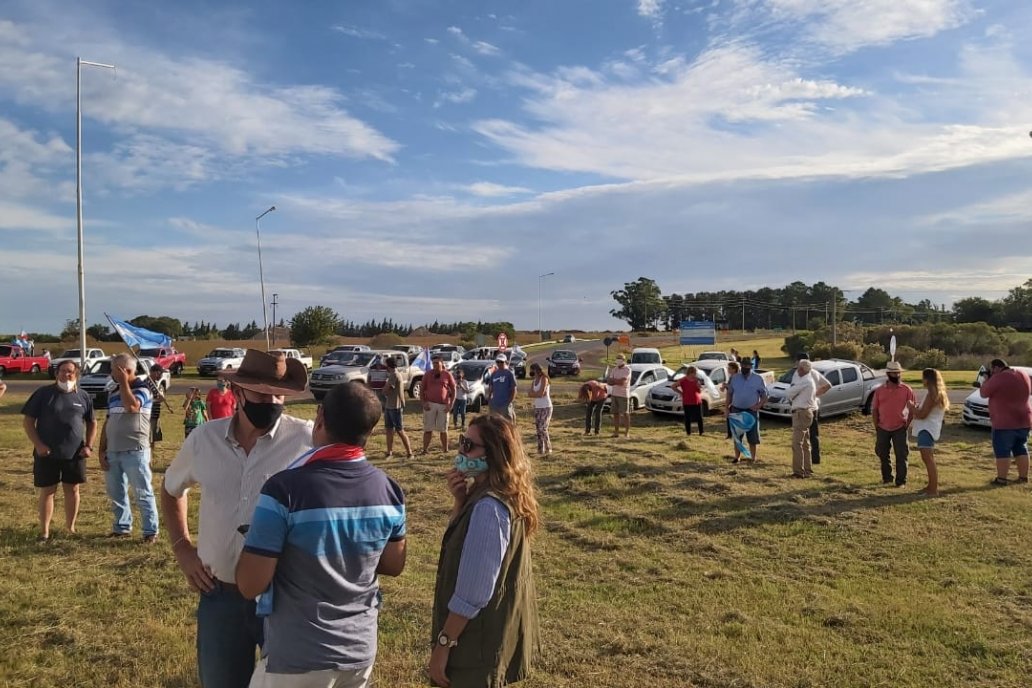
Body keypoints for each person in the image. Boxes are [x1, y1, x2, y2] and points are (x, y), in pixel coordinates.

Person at [235, 382, 406, 687]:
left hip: (298, 654)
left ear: (320, 418)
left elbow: (250, 585)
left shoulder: (284, 490)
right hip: (359, 650)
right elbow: (393, 564)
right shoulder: (389, 490)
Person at [161, 349, 313, 688]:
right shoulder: (203, 440)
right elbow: (171, 490)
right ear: (238, 392)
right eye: (262, 393)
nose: (272, 401)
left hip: (285, 597)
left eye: (279, 395)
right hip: (221, 594)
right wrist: (183, 549)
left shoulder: (306, 441)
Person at [429, 414, 540, 687]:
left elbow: (473, 592)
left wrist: (444, 645)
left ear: (493, 455)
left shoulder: (488, 509)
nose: (461, 450)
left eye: (469, 445)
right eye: (461, 441)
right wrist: (460, 503)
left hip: (474, 646)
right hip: (490, 637)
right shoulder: (500, 494)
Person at [21, 360, 97, 541]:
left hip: (74, 454)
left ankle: (70, 528)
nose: (66, 375)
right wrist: (38, 444)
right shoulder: (43, 393)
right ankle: (44, 531)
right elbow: (28, 421)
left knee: (72, 490)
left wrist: (88, 446)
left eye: (70, 372)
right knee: (48, 491)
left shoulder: (83, 396)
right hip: (46, 453)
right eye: (62, 371)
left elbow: (92, 422)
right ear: (57, 374)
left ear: (76, 374)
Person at [99, 353, 159, 542]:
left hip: (135, 450)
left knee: (142, 492)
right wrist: (102, 449)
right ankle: (121, 527)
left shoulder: (144, 389)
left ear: (125, 371)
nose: (111, 373)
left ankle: (150, 531)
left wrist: (125, 382)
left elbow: (132, 407)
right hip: (113, 450)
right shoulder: (114, 392)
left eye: (114, 369)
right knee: (116, 492)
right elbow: (108, 421)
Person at [978, 358, 1032, 485]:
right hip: (1024, 418)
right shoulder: (1022, 374)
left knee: (1002, 450)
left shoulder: (999, 378)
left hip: (1004, 421)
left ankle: (1002, 479)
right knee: (1021, 448)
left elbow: (983, 393)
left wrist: (986, 379)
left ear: (996, 368)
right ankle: (1023, 477)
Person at [871, 360, 916, 487]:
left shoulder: (907, 390)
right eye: (893, 373)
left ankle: (901, 481)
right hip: (882, 427)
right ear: (888, 374)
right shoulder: (879, 391)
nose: (896, 376)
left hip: (900, 427)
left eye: (898, 373)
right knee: (882, 454)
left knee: (901, 455)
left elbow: (912, 409)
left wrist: (906, 425)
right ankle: (887, 478)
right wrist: (877, 426)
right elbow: (874, 410)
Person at [911, 368, 949, 496]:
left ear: (927, 379)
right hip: (930, 428)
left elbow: (922, 415)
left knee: (928, 459)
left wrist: (911, 408)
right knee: (928, 458)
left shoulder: (931, 395)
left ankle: (933, 489)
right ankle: (930, 486)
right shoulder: (938, 393)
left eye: (923, 378)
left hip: (926, 429)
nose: (922, 380)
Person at [725, 357, 768, 462]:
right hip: (736, 410)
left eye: (747, 366)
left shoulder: (758, 379)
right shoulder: (735, 378)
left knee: (752, 436)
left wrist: (758, 405)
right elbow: (729, 393)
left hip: (751, 411)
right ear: (741, 366)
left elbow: (765, 395)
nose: (745, 367)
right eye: (743, 365)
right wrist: (726, 408)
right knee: (737, 436)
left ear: (750, 366)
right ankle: (737, 457)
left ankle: (753, 458)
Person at [794, 354, 831, 465]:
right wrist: (815, 395)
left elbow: (828, 385)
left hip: (805, 408)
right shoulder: (814, 373)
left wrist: (814, 395)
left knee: (802, 437)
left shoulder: (799, 374)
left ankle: (804, 460)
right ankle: (815, 459)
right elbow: (827, 385)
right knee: (813, 435)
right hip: (814, 408)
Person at [786, 359, 818, 478]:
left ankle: (798, 472)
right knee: (805, 443)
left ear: (803, 370)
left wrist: (791, 391)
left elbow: (789, 393)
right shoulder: (806, 379)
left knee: (797, 443)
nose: (797, 370)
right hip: (805, 413)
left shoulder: (805, 381)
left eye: (799, 368)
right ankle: (807, 470)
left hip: (801, 413)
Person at [421, 355, 456, 454]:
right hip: (430, 404)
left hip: (443, 405)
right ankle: (425, 450)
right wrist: (423, 402)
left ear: (442, 363)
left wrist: (451, 404)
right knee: (428, 429)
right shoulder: (427, 374)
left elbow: (454, 389)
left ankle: (445, 449)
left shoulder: (447, 375)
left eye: (437, 363)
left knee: (443, 429)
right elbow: (422, 389)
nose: (435, 365)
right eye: (433, 363)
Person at [383, 356, 414, 459]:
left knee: (400, 430)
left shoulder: (394, 375)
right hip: (389, 405)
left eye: (386, 364)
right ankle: (389, 452)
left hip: (395, 406)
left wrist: (385, 388)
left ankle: (410, 453)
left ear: (389, 365)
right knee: (389, 430)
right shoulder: (393, 374)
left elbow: (387, 390)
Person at [670, 366, 704, 436]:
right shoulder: (683, 380)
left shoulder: (696, 380)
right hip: (687, 401)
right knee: (687, 418)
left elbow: (699, 391)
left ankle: (701, 432)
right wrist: (681, 393)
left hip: (696, 401)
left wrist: (698, 387)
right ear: (690, 373)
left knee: (699, 417)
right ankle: (688, 433)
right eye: (695, 373)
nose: (695, 375)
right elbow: (673, 386)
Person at [528, 363, 553, 455]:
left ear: (537, 370)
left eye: (532, 370)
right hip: (537, 406)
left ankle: (548, 447)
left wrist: (535, 394)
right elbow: (529, 393)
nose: (531, 372)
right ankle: (540, 449)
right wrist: (536, 394)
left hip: (546, 406)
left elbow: (541, 393)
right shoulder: (534, 381)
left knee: (543, 428)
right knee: (538, 429)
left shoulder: (544, 379)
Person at [487, 354, 518, 422]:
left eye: (501, 362)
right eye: (498, 362)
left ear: (505, 362)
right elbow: (491, 387)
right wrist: (489, 399)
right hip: (495, 404)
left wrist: (509, 402)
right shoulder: (494, 374)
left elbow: (514, 389)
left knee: (507, 423)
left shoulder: (509, 373)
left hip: (505, 403)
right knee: (495, 423)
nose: (499, 363)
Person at [607, 355, 632, 437]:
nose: (618, 361)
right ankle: (616, 432)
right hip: (614, 394)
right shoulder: (614, 369)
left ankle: (626, 433)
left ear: (623, 360)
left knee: (625, 414)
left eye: (619, 359)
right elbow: (609, 382)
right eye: (617, 359)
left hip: (623, 395)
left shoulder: (627, 370)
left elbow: (622, 382)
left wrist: (615, 381)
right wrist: (617, 381)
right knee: (615, 413)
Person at [145, 364, 167, 449]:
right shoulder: (147, 383)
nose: (161, 375)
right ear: (156, 372)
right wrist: (157, 400)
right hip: (149, 415)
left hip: (155, 415)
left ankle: (152, 457)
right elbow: (145, 401)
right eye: (161, 373)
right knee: (148, 438)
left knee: (154, 437)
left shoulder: (156, 384)